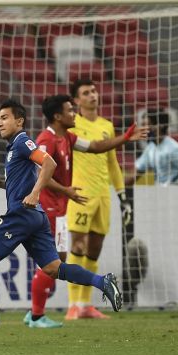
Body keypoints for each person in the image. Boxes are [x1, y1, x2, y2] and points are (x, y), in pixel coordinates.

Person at [0, 98, 122, 338]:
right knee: (53, 268)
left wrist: (36, 193)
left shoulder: (23, 141)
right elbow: (21, 183)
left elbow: (49, 163)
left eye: (4, 118)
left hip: (22, 214)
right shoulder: (15, 147)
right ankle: (102, 282)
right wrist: (0, 184)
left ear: (19, 120)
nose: (0, 123)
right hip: (35, 216)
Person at [24, 95, 148, 328]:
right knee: (51, 263)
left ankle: (41, 313)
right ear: (58, 116)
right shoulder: (46, 140)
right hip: (48, 208)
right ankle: (37, 315)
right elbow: (39, 175)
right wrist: (66, 190)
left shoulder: (67, 137)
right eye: (70, 111)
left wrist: (124, 138)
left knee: (56, 262)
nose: (74, 114)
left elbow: (95, 147)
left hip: (59, 208)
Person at [65, 79, 132, 320]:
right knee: (78, 246)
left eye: (94, 91)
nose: (93, 95)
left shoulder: (107, 125)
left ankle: (85, 305)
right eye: (86, 93)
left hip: (103, 195)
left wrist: (122, 196)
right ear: (77, 100)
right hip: (80, 194)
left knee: (94, 250)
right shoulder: (71, 125)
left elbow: (113, 164)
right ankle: (73, 304)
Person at [125, 109, 178, 186]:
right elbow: (134, 175)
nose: (142, 129)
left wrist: (176, 190)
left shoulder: (172, 148)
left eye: (146, 125)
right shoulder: (151, 148)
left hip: (171, 196)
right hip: (160, 194)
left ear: (159, 126)